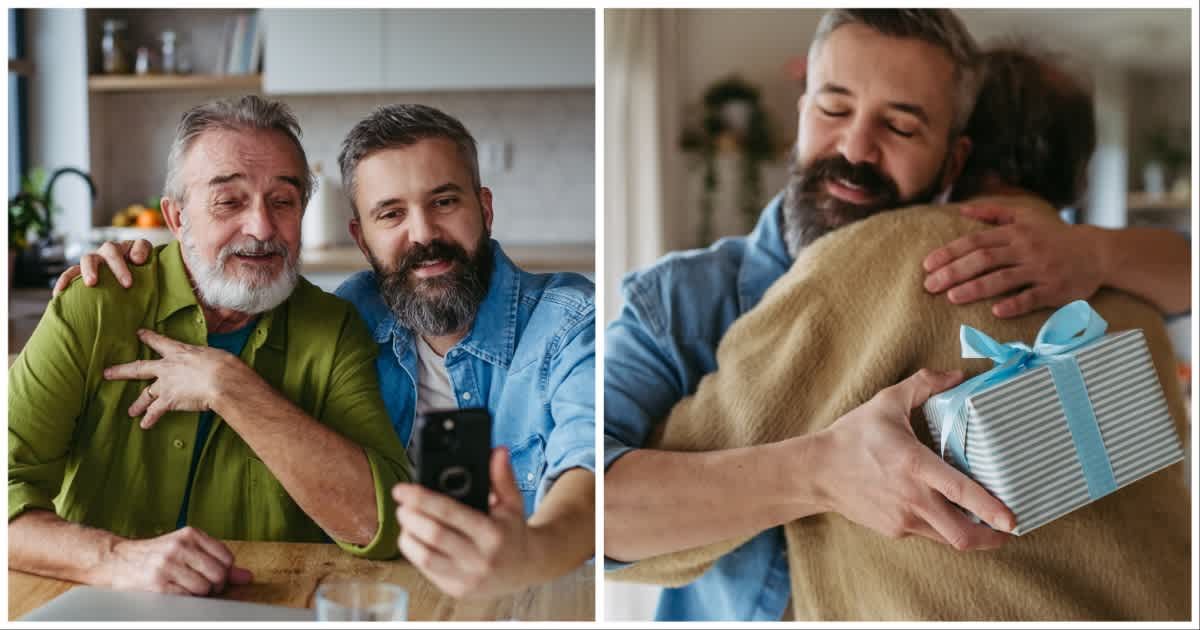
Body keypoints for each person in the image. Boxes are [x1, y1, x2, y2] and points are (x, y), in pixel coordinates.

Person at [603, 10, 1189, 621]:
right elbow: (587, 516)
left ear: (953, 160)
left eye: (902, 126)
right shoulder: (674, 301)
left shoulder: (1058, 269)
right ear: (800, 109)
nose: (856, 147)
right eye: (833, 109)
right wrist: (821, 470)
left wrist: (1098, 250)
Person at [53, 104, 596, 599]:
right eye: (391, 214)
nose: (424, 234)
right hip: (382, 597)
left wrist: (534, 548)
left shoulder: (567, 323)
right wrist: (153, 264)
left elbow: (591, 470)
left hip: (531, 599)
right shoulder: (348, 316)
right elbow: (228, 266)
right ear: (361, 239)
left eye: (445, 202)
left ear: (485, 208)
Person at [9, 96, 409, 596]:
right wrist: (113, 560)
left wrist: (230, 387)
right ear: (177, 218)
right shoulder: (95, 305)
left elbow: (380, 522)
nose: (262, 229)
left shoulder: (332, 330)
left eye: (282, 202)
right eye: (230, 201)